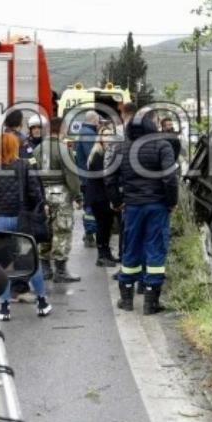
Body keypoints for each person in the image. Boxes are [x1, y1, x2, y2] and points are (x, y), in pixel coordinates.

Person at [106, 104, 178, 315]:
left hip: (133, 206)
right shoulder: (162, 145)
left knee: (131, 247)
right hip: (157, 206)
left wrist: (117, 201)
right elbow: (170, 178)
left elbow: (109, 178)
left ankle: (126, 298)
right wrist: (171, 201)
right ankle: (150, 301)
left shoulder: (122, 148)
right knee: (155, 249)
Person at [0, 134, 52, 321]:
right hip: (22, 220)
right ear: (14, 147)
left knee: (2, 264)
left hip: (1, 220)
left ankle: (4, 308)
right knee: (31, 261)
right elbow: (35, 193)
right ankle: (42, 302)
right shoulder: (24, 165)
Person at [33, 116, 84, 283]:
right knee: (62, 230)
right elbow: (71, 174)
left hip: (42, 194)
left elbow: (32, 171)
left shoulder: (38, 149)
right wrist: (77, 195)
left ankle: (45, 268)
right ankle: (60, 271)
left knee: (45, 230)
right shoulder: (64, 148)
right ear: (62, 129)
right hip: (60, 193)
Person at [85, 124, 122, 267]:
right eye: (105, 135)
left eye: (110, 135)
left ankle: (106, 253)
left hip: (104, 197)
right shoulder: (98, 154)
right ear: (99, 138)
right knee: (102, 226)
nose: (107, 138)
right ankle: (102, 255)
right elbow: (105, 178)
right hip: (98, 197)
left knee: (107, 226)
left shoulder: (108, 153)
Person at [74, 110, 101, 248]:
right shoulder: (89, 134)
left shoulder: (84, 132)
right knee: (90, 207)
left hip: (85, 176)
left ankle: (89, 233)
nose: (99, 123)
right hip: (89, 177)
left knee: (89, 206)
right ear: (94, 120)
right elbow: (93, 156)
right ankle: (90, 234)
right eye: (98, 121)